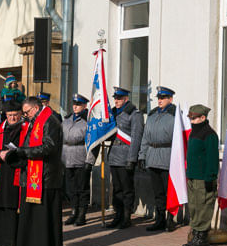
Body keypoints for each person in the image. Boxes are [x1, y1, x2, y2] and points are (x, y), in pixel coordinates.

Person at [4, 96, 64, 246]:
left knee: (43, 216)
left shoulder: (50, 121)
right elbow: (31, 144)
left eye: (26, 112)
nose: (25, 116)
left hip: (46, 176)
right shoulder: (35, 122)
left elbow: (49, 147)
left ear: (35, 108)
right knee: (31, 214)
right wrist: (19, 152)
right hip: (32, 174)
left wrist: (23, 152)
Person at [139, 86, 177, 232]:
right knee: (158, 192)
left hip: (167, 156)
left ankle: (170, 219)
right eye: (159, 98)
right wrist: (142, 156)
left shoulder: (174, 116)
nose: (160, 100)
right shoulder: (152, 115)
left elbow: (178, 141)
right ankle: (160, 218)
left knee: (169, 192)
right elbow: (145, 137)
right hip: (152, 156)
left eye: (163, 98)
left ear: (170, 99)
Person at [0, 100, 24, 246]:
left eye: (16, 115)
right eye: (10, 115)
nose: (13, 118)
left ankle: (13, 241)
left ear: (20, 115)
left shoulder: (25, 129)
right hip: (0, 172)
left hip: (16, 171)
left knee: (12, 207)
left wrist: (13, 154)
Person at [183, 104, 219, 246]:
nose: (191, 121)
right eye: (190, 118)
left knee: (203, 206)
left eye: (194, 118)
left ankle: (202, 237)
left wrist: (210, 177)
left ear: (203, 117)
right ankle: (196, 233)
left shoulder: (209, 134)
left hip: (203, 178)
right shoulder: (194, 133)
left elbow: (212, 158)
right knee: (194, 206)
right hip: (192, 176)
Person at [106, 87, 144, 229]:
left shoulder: (134, 114)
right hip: (114, 154)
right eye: (115, 98)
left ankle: (127, 217)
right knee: (116, 189)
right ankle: (118, 214)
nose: (116, 101)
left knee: (126, 188)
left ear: (125, 99)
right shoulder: (113, 113)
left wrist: (132, 159)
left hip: (126, 155)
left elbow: (136, 137)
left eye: (119, 98)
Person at [62, 94, 97, 226]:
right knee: (71, 189)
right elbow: (61, 140)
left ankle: (82, 215)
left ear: (84, 106)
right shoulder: (67, 120)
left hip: (81, 158)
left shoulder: (88, 121)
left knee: (82, 189)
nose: (75, 107)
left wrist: (90, 161)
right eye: (74, 104)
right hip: (67, 158)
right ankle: (73, 212)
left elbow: (93, 143)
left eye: (78, 104)